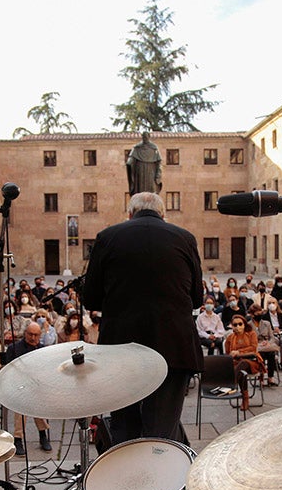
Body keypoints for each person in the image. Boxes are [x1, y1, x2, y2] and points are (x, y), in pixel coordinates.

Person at [83, 191, 203, 445]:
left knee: (124, 428)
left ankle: (126, 482)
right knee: (161, 432)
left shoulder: (108, 237)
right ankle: (162, 480)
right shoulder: (185, 238)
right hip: (172, 347)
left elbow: (90, 299)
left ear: (130, 214)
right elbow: (197, 297)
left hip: (122, 350)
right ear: (163, 214)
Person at [5, 323, 52, 453]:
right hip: (19, 386)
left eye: (36, 335)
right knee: (22, 409)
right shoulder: (14, 348)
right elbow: (7, 370)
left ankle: (43, 435)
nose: (32, 337)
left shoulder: (42, 349)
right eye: (30, 334)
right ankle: (18, 438)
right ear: (25, 333)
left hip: (37, 386)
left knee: (38, 407)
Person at [223, 314, 265, 411]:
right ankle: (245, 398)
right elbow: (228, 353)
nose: (238, 327)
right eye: (235, 325)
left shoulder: (251, 334)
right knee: (241, 372)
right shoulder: (230, 338)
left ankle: (231, 384)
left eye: (240, 324)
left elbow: (253, 348)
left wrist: (239, 352)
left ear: (244, 324)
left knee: (243, 364)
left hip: (252, 361)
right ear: (232, 326)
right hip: (237, 364)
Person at [126, 131, 162, 195]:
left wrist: (158, 174)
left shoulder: (154, 148)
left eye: (146, 136)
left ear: (149, 137)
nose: (145, 138)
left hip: (151, 170)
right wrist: (129, 162)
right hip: (140, 170)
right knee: (140, 190)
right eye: (144, 136)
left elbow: (159, 161)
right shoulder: (137, 147)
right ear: (142, 137)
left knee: (151, 190)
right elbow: (131, 157)